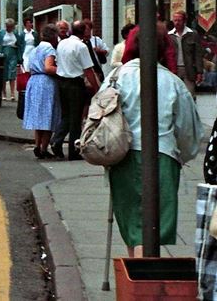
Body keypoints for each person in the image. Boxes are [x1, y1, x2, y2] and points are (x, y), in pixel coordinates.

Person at [109, 29, 204, 257]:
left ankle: (134, 283)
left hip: (123, 156)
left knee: (132, 226)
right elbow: (189, 131)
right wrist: (182, 154)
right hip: (163, 157)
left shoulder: (116, 78)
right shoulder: (173, 83)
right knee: (152, 229)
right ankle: (145, 285)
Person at [50, 20, 100, 160]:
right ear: (83, 31)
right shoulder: (81, 46)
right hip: (75, 83)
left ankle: (56, 141)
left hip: (61, 82)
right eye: (87, 30)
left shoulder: (62, 43)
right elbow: (88, 70)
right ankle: (74, 151)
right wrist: (96, 87)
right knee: (76, 118)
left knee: (66, 115)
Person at [23, 25, 61, 159]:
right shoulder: (49, 48)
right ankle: (44, 149)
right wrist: (64, 70)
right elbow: (48, 68)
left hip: (33, 82)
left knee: (38, 118)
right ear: (53, 36)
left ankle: (37, 145)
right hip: (46, 83)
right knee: (47, 117)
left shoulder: (35, 49)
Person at [168, 10, 204, 97]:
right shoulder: (169, 35)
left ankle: (191, 110)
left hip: (189, 68)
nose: (177, 23)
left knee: (190, 94)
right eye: (175, 20)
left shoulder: (192, 34)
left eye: (179, 20)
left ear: (184, 21)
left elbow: (198, 54)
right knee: (174, 95)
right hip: (174, 69)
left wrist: (199, 72)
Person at [0, 19, 25, 101]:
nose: (9, 28)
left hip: (13, 54)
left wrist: (20, 56)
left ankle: (12, 94)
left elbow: (19, 44)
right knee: (3, 74)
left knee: (12, 73)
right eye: (8, 27)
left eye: (11, 27)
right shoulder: (1, 33)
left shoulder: (15, 33)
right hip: (3, 54)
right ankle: (3, 93)